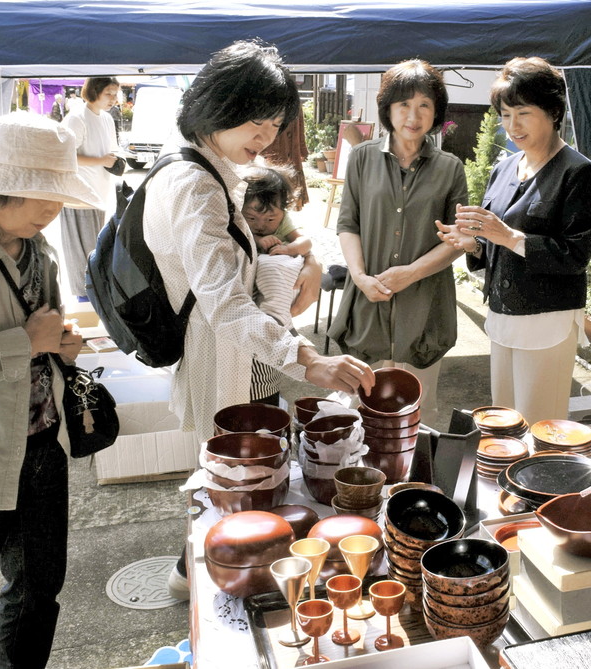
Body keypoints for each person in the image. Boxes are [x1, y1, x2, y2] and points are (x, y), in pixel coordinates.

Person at [140, 40, 375, 598]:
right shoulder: (196, 185)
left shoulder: (208, 169)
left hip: (241, 354)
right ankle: (211, 581)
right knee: (236, 483)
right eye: (256, 121)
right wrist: (308, 359)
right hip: (222, 357)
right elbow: (223, 301)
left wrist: (302, 266)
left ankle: (207, 572)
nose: (266, 137)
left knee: (242, 479)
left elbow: (239, 275)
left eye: (274, 124)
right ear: (217, 106)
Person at [0, 111, 101, 668]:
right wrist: (27, 342)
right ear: (4, 188)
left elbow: (42, 335)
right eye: (45, 196)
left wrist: (59, 344)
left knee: (36, 597)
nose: (56, 210)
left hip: (41, 449)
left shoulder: (40, 250)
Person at [437, 57, 591, 426]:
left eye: (523, 113)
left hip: (547, 321)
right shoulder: (504, 167)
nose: (513, 126)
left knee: (542, 429)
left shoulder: (578, 172)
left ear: (554, 111)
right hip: (501, 315)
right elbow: (496, 240)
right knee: (503, 425)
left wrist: (507, 235)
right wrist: (474, 244)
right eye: (505, 115)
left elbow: (574, 255)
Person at [329, 59, 468, 427]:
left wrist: (411, 273)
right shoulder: (361, 158)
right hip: (368, 301)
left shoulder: (450, 168)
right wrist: (358, 276)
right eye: (403, 104)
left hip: (424, 307)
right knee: (362, 411)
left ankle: (412, 484)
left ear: (436, 112)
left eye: (424, 105)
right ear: (388, 108)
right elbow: (348, 223)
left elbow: (458, 239)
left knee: (419, 413)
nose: (413, 115)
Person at [58, 76, 120, 300]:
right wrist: (101, 160)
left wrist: (113, 160)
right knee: (80, 252)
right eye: (108, 94)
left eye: (115, 94)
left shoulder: (106, 118)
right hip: (77, 195)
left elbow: (109, 151)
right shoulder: (77, 117)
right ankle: (83, 297)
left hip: (98, 194)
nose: (113, 99)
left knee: (95, 249)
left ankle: (94, 295)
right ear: (94, 92)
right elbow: (64, 155)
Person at [242, 162, 312, 330]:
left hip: (281, 278)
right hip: (252, 285)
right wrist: (257, 240)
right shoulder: (240, 223)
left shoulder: (284, 222)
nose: (261, 224)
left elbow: (306, 242)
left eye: (270, 219)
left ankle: (276, 321)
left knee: (271, 267)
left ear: (283, 211)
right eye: (251, 218)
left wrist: (289, 249)